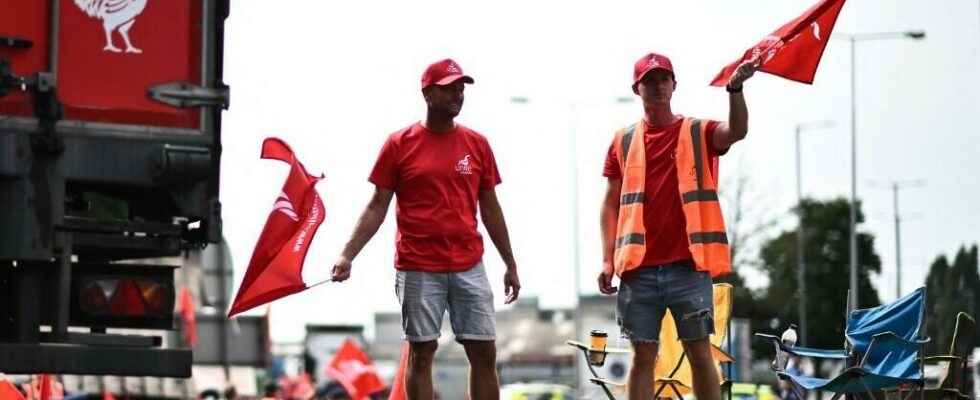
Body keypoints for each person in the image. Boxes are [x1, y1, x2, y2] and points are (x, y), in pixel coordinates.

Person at [332, 58, 521, 400]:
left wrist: (510, 262)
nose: (458, 94)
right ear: (428, 92)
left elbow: (490, 208)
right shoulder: (399, 144)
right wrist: (347, 254)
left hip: (469, 263)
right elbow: (377, 205)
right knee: (422, 354)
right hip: (418, 266)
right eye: (450, 88)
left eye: (461, 88)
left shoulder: (477, 144)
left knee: (484, 352)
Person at [597, 52, 758, 400]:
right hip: (638, 268)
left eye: (663, 79)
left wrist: (735, 89)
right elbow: (610, 203)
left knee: (700, 354)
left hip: (688, 266)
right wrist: (607, 260)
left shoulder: (698, 131)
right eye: (649, 81)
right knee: (642, 358)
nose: (657, 86)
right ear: (636, 89)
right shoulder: (622, 141)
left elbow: (738, 130)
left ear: (674, 85)